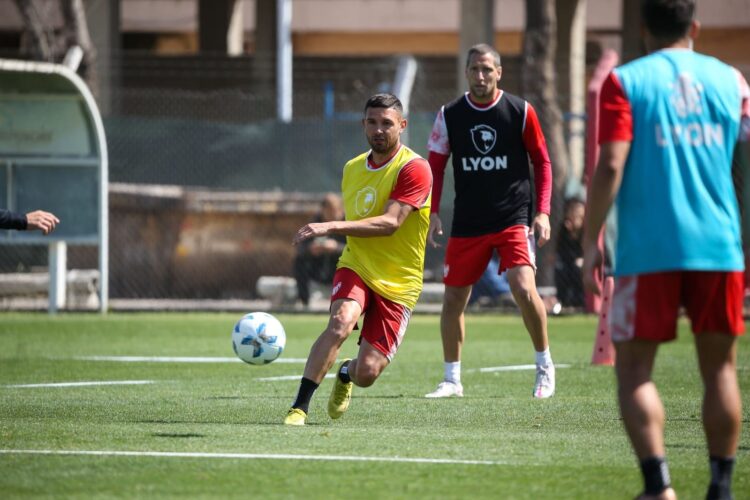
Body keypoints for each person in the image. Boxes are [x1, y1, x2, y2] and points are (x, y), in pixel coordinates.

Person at [582, 1, 749, 498]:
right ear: (694, 26)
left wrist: (594, 239)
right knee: (719, 368)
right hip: (719, 246)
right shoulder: (733, 81)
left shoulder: (626, 82)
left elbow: (611, 164)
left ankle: (659, 487)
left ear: (643, 28)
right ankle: (720, 487)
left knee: (634, 369)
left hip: (648, 248)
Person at [284, 93, 432, 426]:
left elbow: (391, 223)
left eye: (387, 123)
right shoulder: (353, 168)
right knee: (340, 323)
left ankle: (346, 373)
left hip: (399, 281)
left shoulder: (415, 169)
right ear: (363, 125)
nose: (379, 130)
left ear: (402, 126)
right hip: (357, 265)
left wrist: (330, 226)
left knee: (368, 373)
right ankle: (299, 407)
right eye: (372, 122)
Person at [424, 43, 555, 399]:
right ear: (466, 74)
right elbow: (435, 165)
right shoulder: (449, 114)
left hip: (512, 215)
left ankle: (544, 366)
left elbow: (542, 162)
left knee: (523, 287)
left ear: (499, 72)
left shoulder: (520, 111)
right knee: (453, 301)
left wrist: (542, 212)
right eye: (473, 70)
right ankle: (452, 379)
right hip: (468, 220)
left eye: (486, 69)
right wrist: (432, 212)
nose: (480, 76)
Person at [292, 193, 346, 307]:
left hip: (338, 269)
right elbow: (300, 248)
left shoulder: (347, 224)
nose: (332, 214)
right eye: (328, 210)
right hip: (318, 270)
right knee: (299, 261)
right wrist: (311, 249)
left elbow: (355, 249)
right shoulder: (315, 223)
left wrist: (336, 248)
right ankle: (304, 302)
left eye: (334, 210)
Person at [554, 197, 585, 309]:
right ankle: (562, 301)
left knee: (577, 268)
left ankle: (579, 300)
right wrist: (570, 232)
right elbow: (560, 249)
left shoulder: (586, 230)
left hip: (581, 262)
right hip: (567, 260)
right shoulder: (564, 229)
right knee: (560, 268)